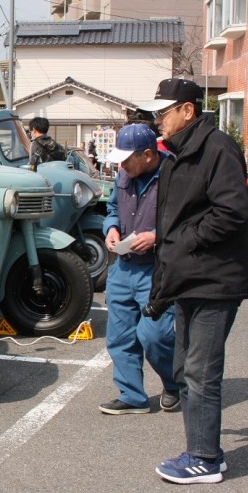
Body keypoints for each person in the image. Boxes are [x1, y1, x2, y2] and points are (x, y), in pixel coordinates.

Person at [140, 79, 248, 484]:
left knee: (202, 371)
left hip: (213, 279)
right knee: (186, 366)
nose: (158, 121)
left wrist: (186, 242)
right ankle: (203, 450)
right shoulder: (177, 153)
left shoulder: (217, 147)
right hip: (190, 276)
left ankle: (204, 457)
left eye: (163, 113)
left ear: (187, 111)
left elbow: (234, 211)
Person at [99, 123, 179, 415]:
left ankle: (175, 384)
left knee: (154, 334)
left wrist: (157, 237)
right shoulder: (124, 174)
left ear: (147, 155)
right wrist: (111, 230)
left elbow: (191, 221)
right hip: (124, 265)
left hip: (158, 269)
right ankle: (132, 395)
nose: (121, 164)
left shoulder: (175, 174)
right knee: (120, 336)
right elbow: (112, 210)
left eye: (126, 158)